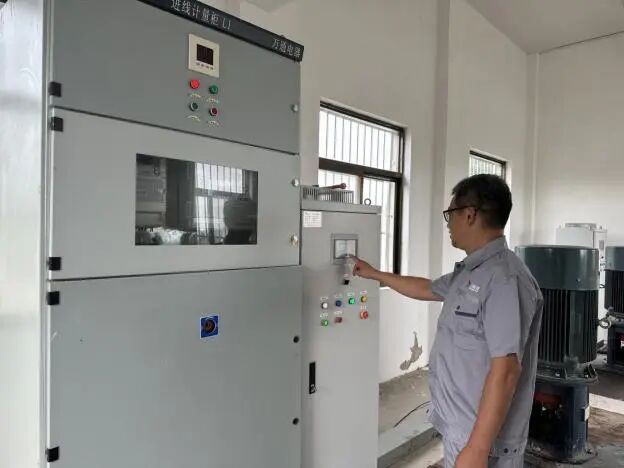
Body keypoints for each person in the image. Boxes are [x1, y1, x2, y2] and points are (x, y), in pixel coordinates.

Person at [353, 174, 543, 468]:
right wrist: (375, 274)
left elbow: (506, 370)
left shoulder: (505, 280)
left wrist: (477, 449)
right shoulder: (471, 271)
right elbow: (427, 288)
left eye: (450, 213)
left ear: (469, 215)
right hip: (461, 429)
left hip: (483, 442)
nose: (448, 223)